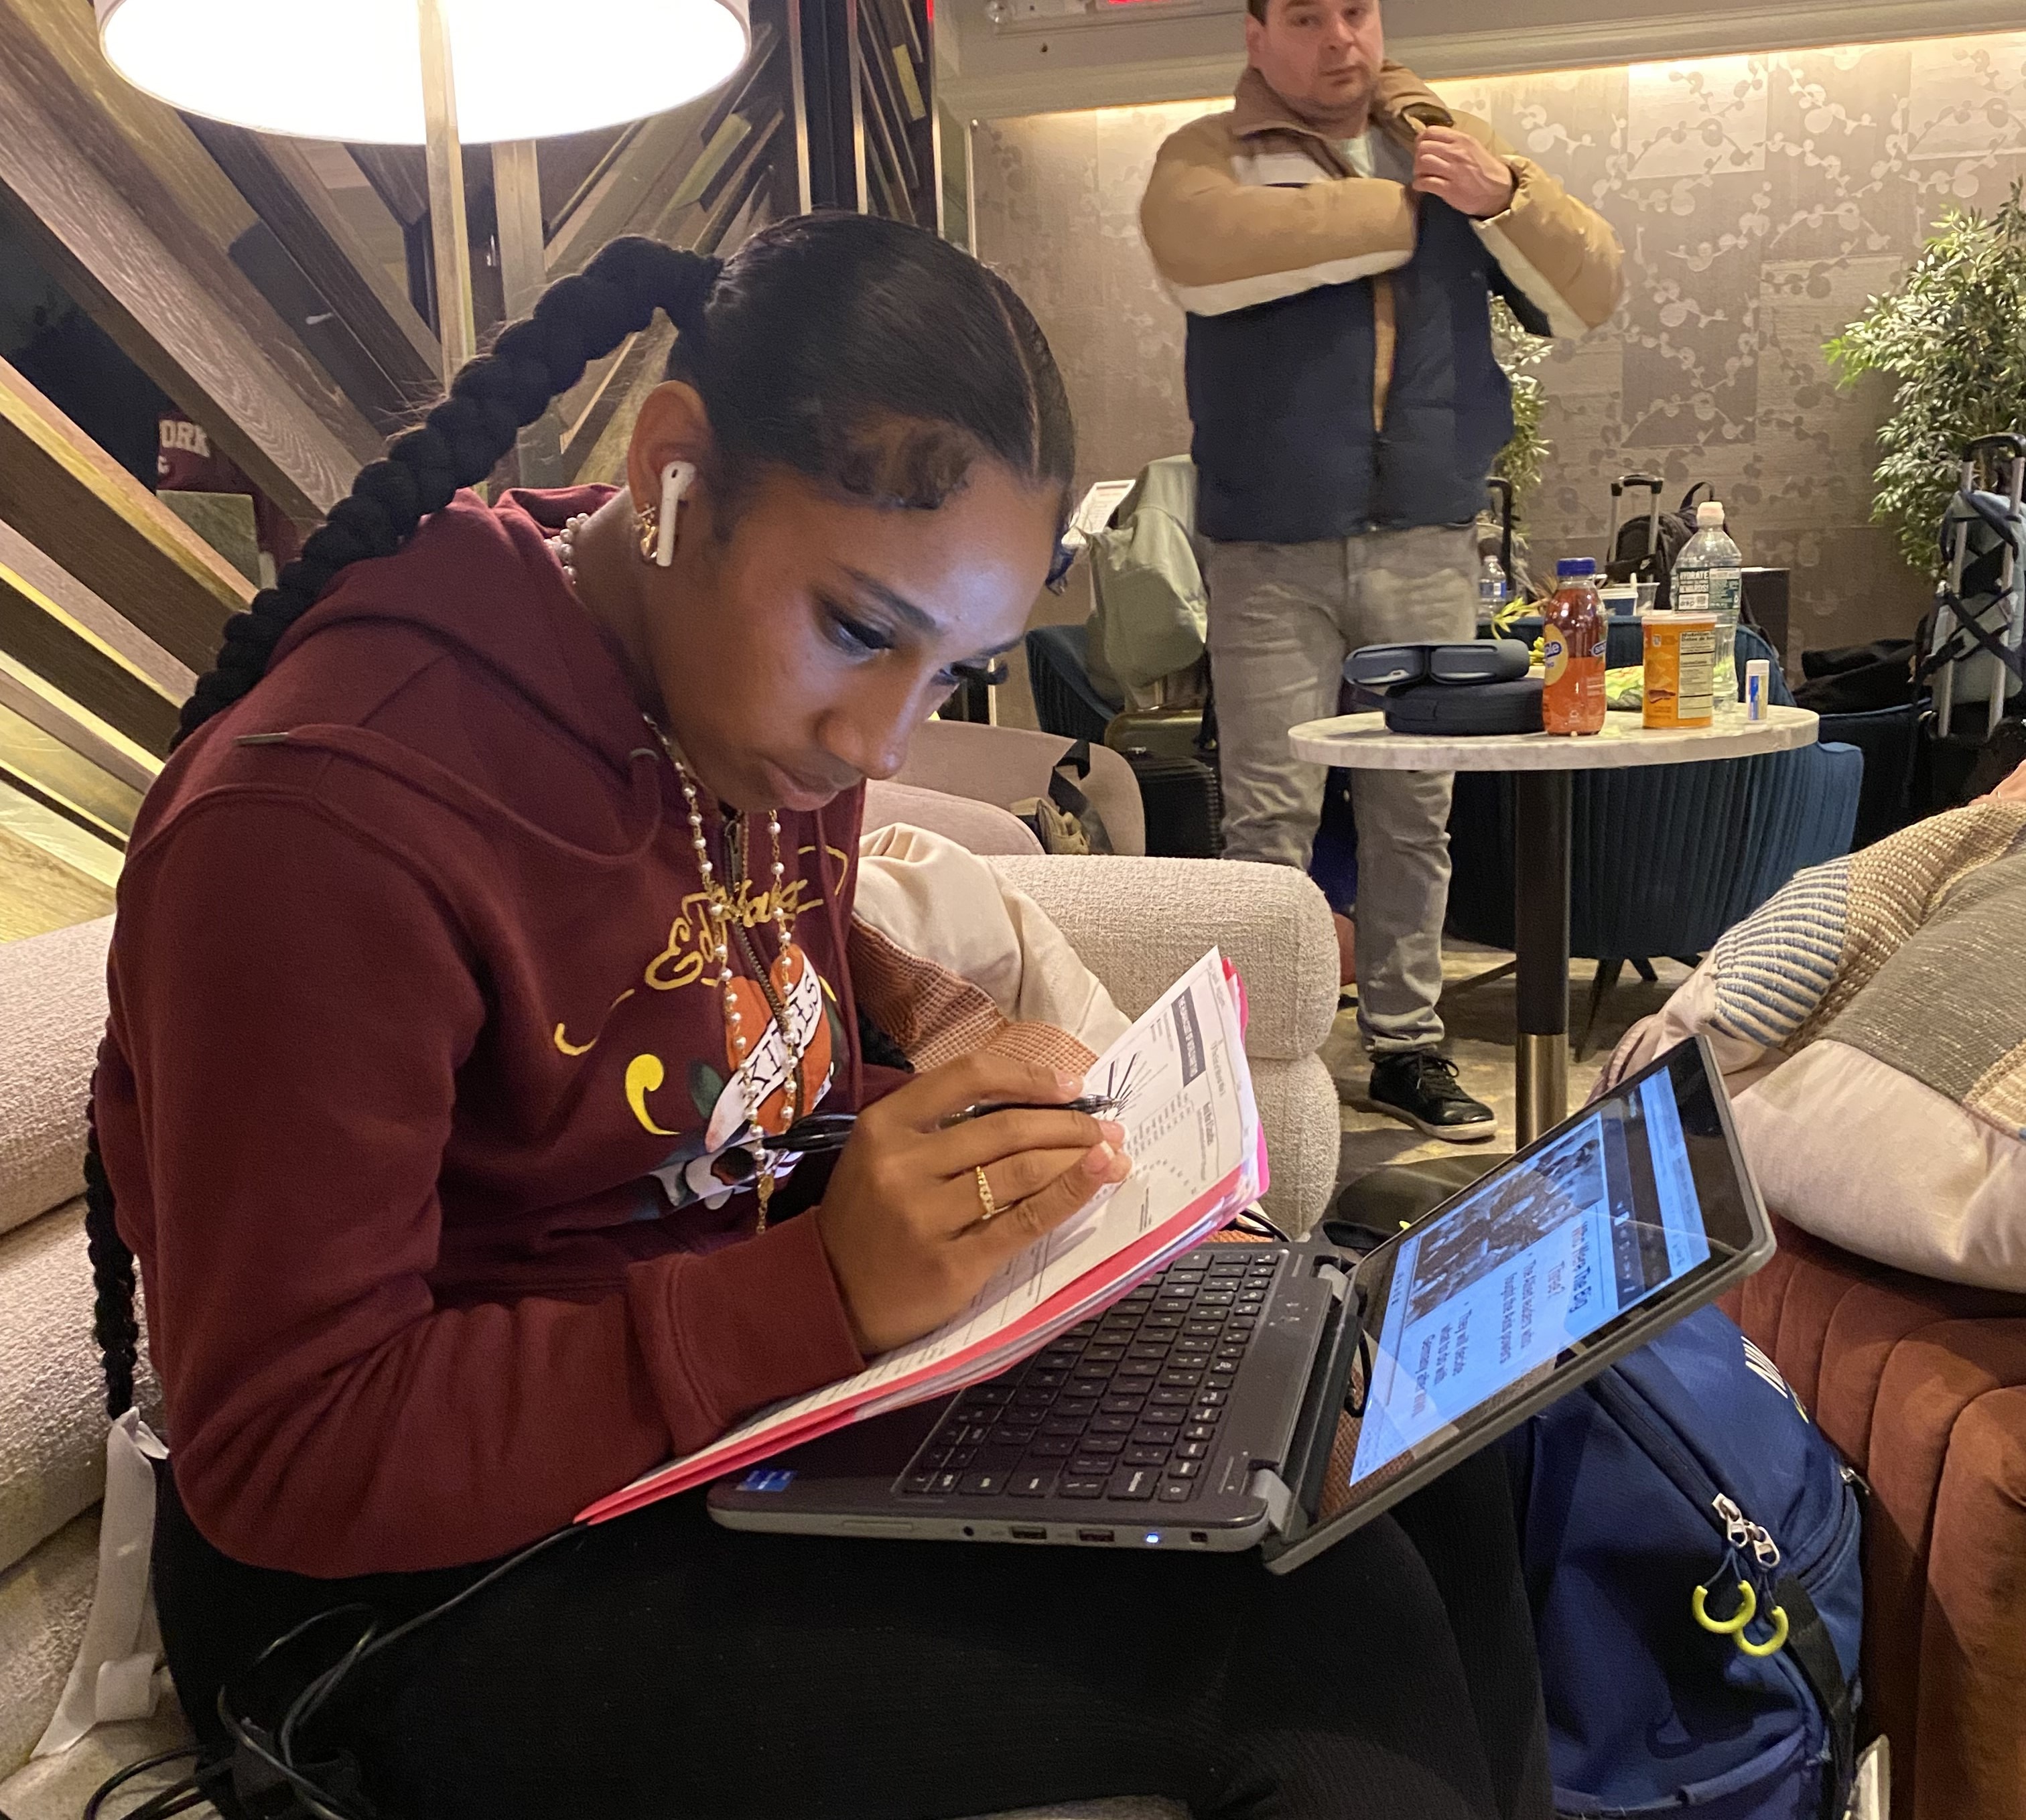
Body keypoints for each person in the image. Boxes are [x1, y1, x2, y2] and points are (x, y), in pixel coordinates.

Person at [85, 217, 1551, 1820]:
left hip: (730, 1423)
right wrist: (822, 1297)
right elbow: (284, 1445)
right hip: (402, 1595)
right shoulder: (318, 829)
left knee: (1405, 1438)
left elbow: (704, 931)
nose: (877, 742)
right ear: (673, 474)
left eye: (952, 671)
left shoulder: (710, 696)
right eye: (859, 631)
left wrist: (937, 1014)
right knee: (1324, 1637)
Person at [1140, 0, 1623, 1141]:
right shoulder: (1209, 157)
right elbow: (1198, 252)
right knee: (1270, 813)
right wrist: (1411, 201)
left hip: (1424, 530)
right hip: (1266, 544)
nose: (1339, 39)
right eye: (1305, 17)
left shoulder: (1456, 147)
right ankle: (1269, 1050)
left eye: (1355, 10)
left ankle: (1407, 1046)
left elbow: (1590, 288)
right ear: (1258, 37)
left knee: (1417, 808)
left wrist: (1503, 196)